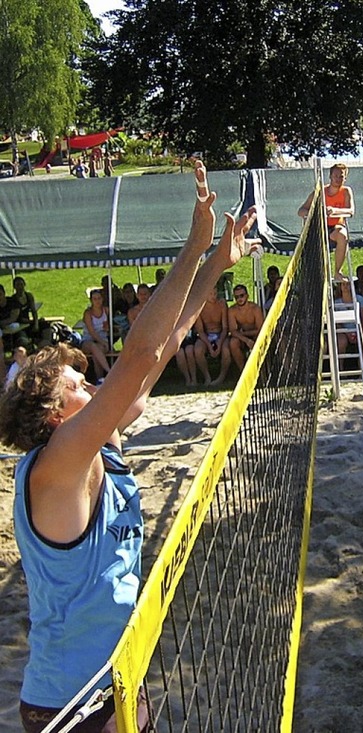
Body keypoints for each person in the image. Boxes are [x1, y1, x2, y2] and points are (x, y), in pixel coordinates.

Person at [0, 161, 257, 733]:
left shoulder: (99, 441)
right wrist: (191, 248)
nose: (94, 385)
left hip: (117, 682)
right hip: (68, 707)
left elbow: (159, 351)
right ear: (53, 414)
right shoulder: (57, 465)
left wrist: (217, 264)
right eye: (79, 385)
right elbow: (138, 355)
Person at [298, 162, 355, 281]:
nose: (338, 179)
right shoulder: (320, 192)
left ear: (345, 178)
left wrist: (335, 211)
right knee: (312, 242)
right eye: (336, 176)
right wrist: (314, 214)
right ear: (330, 176)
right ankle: (314, 273)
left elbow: (351, 211)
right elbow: (301, 211)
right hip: (320, 228)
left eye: (341, 176)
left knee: (342, 235)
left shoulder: (346, 191)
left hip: (336, 227)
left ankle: (338, 271)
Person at [193, 284, 232, 386]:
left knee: (226, 349)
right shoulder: (199, 307)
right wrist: (209, 346)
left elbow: (225, 327)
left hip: (220, 333)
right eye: (210, 294)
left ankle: (221, 377)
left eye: (215, 293)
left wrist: (219, 342)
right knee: (198, 350)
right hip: (206, 334)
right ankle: (207, 376)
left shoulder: (221, 304)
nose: (213, 296)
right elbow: (200, 331)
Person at [228, 284, 264, 372]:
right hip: (243, 337)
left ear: (247, 296)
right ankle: (243, 371)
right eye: (236, 297)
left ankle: (260, 371)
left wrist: (243, 334)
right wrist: (246, 340)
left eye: (242, 295)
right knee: (233, 343)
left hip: (255, 335)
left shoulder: (255, 309)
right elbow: (233, 330)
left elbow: (261, 330)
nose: (239, 299)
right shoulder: (232, 310)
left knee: (259, 340)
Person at [80, 289, 112, 381]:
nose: (97, 301)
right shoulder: (88, 313)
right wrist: (102, 342)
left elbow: (110, 327)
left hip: (102, 339)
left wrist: (107, 328)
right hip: (88, 340)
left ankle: (100, 379)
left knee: (96, 354)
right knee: (94, 347)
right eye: (95, 299)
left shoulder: (106, 310)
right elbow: (91, 332)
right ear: (91, 301)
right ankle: (109, 372)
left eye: (99, 298)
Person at [10, 276, 40, 341]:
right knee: (23, 338)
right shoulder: (13, 299)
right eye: (17, 285)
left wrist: (36, 324)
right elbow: (18, 318)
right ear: (14, 287)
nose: (20, 287)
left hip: (28, 322)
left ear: (24, 285)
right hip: (19, 325)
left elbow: (34, 311)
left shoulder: (29, 296)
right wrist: (31, 322)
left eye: (21, 284)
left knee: (45, 325)